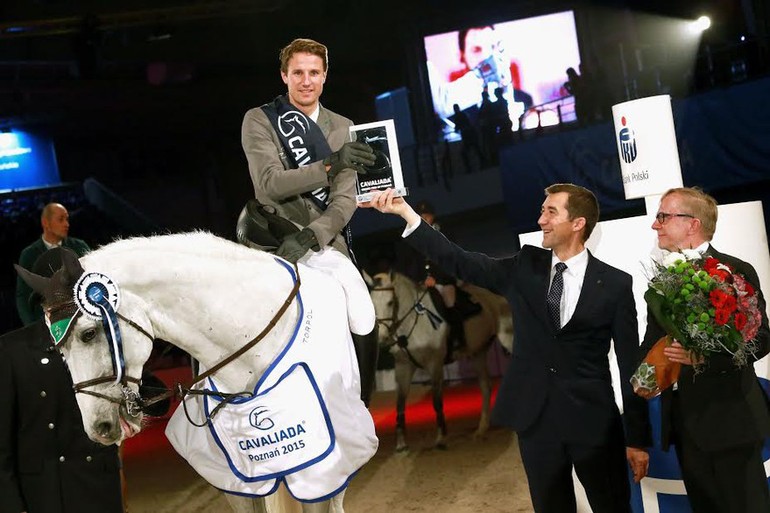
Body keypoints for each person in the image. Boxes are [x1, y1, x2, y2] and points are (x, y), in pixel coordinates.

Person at [365, 184, 650, 513]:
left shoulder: (616, 283)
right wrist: (406, 213)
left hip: (595, 424)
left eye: (550, 212)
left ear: (578, 223)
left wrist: (637, 439)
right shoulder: (524, 267)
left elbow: (631, 365)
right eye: (543, 210)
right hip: (536, 424)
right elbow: (461, 262)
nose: (541, 219)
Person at [238, 37, 378, 406]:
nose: (306, 81)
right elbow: (269, 183)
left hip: (325, 241)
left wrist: (314, 236)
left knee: (363, 309)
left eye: (313, 72)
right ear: (284, 76)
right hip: (273, 236)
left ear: (325, 76)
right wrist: (332, 164)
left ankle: (360, 399)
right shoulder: (259, 119)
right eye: (297, 72)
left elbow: (345, 200)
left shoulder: (344, 127)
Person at [638, 187, 770, 512]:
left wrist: (706, 357)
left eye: (663, 216)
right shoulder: (660, 284)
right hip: (685, 429)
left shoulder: (734, 272)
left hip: (732, 423)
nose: (656, 225)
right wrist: (641, 378)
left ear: (692, 224)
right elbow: (651, 345)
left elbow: (761, 339)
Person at [0, 248, 124, 513]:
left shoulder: (108, 339)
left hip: (100, 488)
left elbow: (147, 391)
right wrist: (10, 504)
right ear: (46, 301)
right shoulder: (11, 350)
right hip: (46, 494)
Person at [428, 25, 532, 121]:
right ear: (462, 56)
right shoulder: (450, 113)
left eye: (492, 47)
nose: (486, 58)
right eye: (476, 50)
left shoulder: (524, 100)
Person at [15, 202, 90, 326]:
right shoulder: (29, 254)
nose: (67, 224)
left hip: (81, 319)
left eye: (67, 219)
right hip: (45, 322)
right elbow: (22, 296)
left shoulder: (79, 246)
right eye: (61, 219)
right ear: (46, 223)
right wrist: (32, 326)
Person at [450, 103, 485, 172]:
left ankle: (469, 168)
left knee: (465, 152)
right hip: (471, 135)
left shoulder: (458, 116)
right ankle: (482, 163)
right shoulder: (463, 114)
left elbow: (457, 128)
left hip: (467, 136)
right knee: (476, 149)